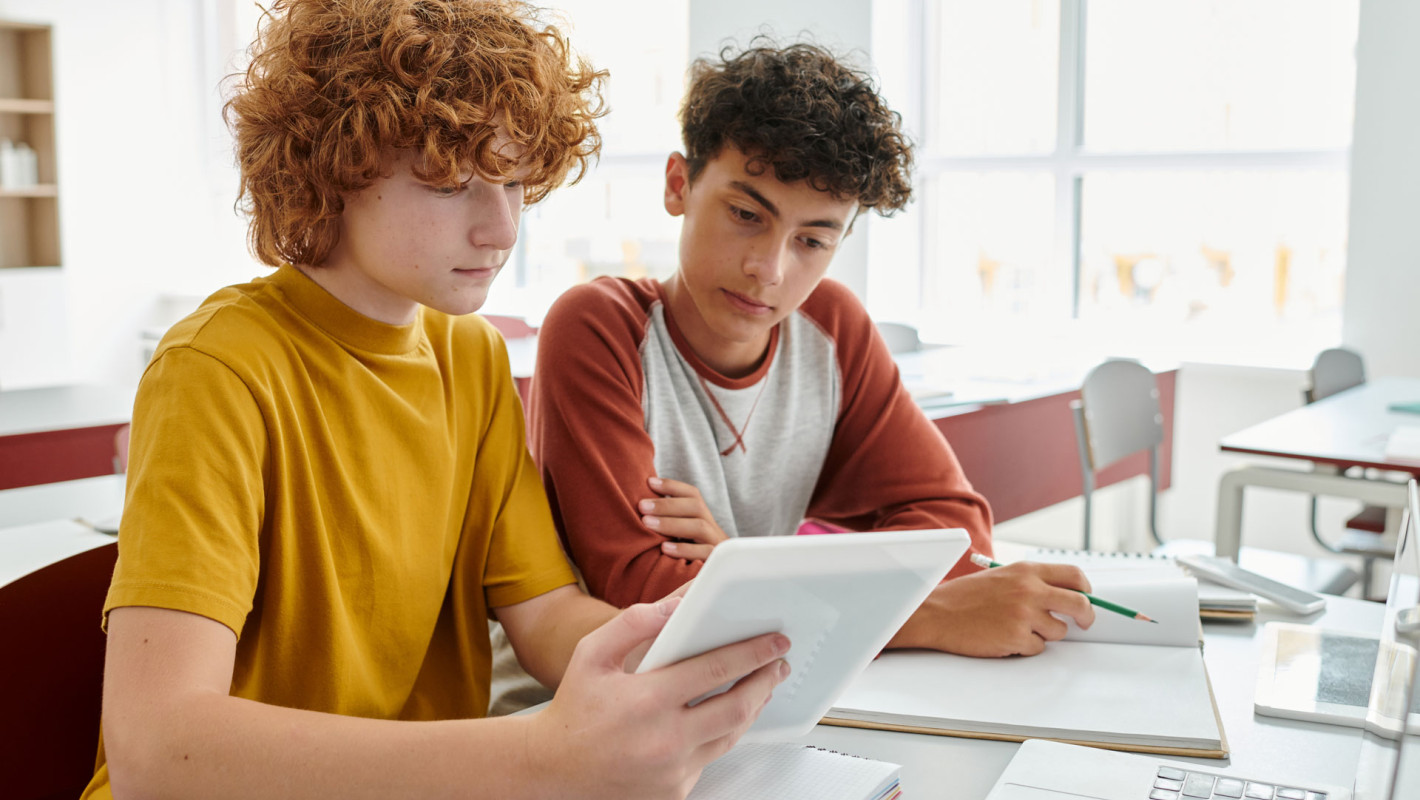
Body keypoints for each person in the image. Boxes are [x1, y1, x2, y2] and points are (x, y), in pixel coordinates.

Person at [82, 4, 790, 799]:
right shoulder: (216, 369)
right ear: (332, 168)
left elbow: (547, 613)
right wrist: (540, 756)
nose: (502, 230)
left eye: (514, 182)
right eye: (453, 184)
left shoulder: (471, 356)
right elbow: (155, 752)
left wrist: (683, 641)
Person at [496, 42, 1095, 714]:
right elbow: (643, 593)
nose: (770, 269)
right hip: (574, 711)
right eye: (746, 215)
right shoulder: (598, 327)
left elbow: (954, 534)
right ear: (678, 185)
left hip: (762, 701)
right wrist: (928, 616)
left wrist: (738, 558)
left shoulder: (831, 328)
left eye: (812, 240)